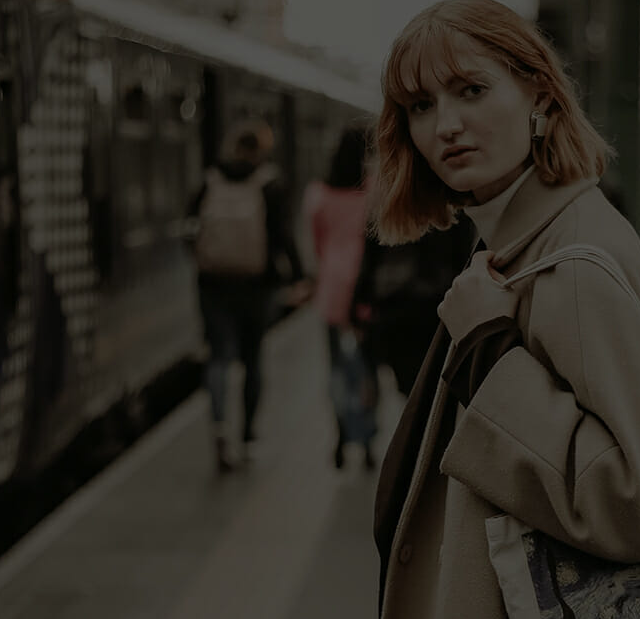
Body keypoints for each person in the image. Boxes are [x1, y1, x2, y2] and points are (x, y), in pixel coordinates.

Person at [369, 0, 640, 619]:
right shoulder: (515, 246)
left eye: (472, 90)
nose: (446, 124)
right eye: (420, 106)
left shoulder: (570, 265)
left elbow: (638, 501)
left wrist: (488, 348)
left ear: (538, 94)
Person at [187, 119, 307, 471]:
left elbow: (189, 228)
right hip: (257, 287)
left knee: (219, 357)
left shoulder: (210, 179)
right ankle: (249, 436)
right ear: (261, 150)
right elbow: (284, 236)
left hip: (213, 286)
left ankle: (219, 427)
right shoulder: (269, 185)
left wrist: (203, 261)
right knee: (253, 360)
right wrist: (298, 277)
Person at [306, 122, 380, 469]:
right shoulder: (373, 192)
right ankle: (366, 442)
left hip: (332, 291)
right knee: (366, 369)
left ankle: (340, 436)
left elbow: (318, 245)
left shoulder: (319, 194)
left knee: (336, 369)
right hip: (365, 291)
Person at [351, 208, 478, 398]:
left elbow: (369, 263)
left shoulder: (384, 205)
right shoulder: (452, 203)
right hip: (438, 307)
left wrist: (357, 308)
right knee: (443, 386)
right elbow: (463, 256)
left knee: (413, 390)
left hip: (396, 312)